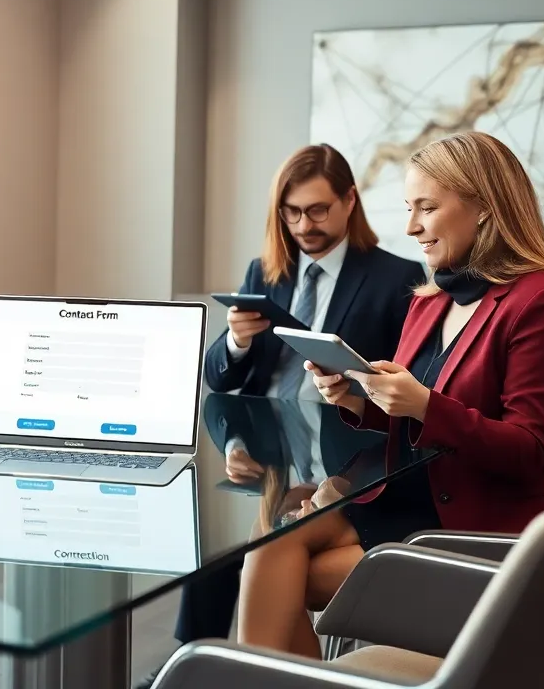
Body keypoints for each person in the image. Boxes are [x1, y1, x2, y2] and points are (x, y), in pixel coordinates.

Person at [233, 130, 544, 659]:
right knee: (268, 541)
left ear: (484, 209)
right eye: (409, 208)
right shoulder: (430, 300)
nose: (410, 227)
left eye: (427, 207)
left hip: (471, 524)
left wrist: (423, 403)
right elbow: (414, 422)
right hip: (406, 498)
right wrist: (357, 398)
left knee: (288, 578)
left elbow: (531, 451)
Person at [133, 145, 424, 687]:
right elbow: (219, 378)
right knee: (210, 538)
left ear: (349, 201)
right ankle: (188, 656)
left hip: (345, 451)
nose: (303, 225)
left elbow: (404, 383)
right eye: (290, 213)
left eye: (316, 210)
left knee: (253, 548)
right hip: (264, 444)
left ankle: (211, 667)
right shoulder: (267, 271)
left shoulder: (396, 277)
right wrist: (237, 343)